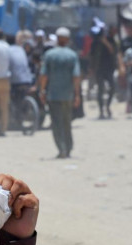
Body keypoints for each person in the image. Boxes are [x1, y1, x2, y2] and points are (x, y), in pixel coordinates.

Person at [39, 27, 81, 158]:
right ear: (68, 40)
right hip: (68, 95)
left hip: (53, 95)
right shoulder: (72, 55)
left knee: (56, 123)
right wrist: (77, 94)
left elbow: (44, 75)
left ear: (57, 39)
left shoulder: (49, 55)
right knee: (67, 122)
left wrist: (42, 90)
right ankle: (68, 148)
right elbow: (76, 76)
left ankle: (62, 149)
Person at [7, 32, 34, 129]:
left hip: (16, 80)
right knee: (22, 97)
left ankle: (17, 119)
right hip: (27, 79)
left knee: (14, 99)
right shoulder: (20, 49)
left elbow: (8, 66)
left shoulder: (8, 50)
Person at [89, 26, 116, 118]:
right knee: (100, 90)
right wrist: (91, 68)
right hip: (99, 69)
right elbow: (92, 56)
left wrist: (106, 42)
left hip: (109, 69)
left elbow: (113, 51)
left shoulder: (111, 40)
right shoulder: (95, 43)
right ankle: (101, 111)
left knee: (112, 88)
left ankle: (107, 106)